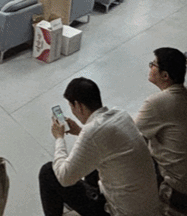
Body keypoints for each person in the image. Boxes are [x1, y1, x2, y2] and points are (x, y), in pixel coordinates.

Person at [38, 77, 159, 216]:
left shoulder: (91, 132)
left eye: (71, 106)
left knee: (48, 172)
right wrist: (79, 131)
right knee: (91, 163)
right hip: (147, 205)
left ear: (78, 106)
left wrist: (59, 138)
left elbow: (64, 177)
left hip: (120, 212)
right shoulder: (121, 115)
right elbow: (103, 140)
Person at [135, 48, 187, 203]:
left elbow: (131, 134)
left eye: (153, 65)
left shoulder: (157, 102)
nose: (150, 67)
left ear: (165, 76)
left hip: (182, 190)